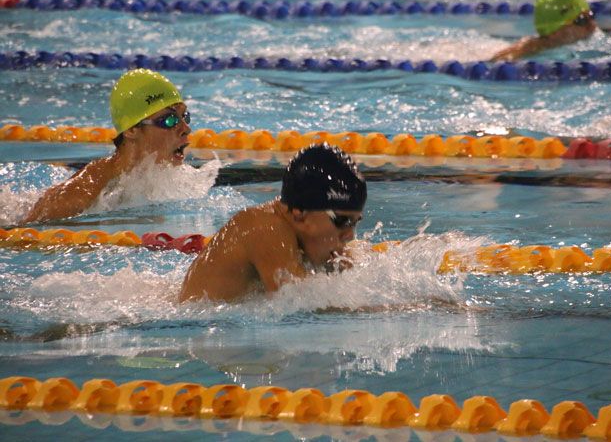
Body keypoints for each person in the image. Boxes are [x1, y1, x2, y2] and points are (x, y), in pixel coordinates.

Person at [179, 143, 367, 303]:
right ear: (299, 213)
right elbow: (297, 305)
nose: (350, 234)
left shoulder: (302, 235)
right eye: (342, 221)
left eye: (354, 222)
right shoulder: (265, 228)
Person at [23, 69, 191, 223]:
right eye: (170, 120)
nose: (186, 129)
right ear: (131, 130)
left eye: (185, 116)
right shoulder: (81, 194)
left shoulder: (160, 178)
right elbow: (23, 236)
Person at [490, 0, 597, 62]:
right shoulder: (531, 48)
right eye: (581, 20)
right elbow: (498, 60)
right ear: (555, 31)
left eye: (591, 15)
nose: (592, 25)